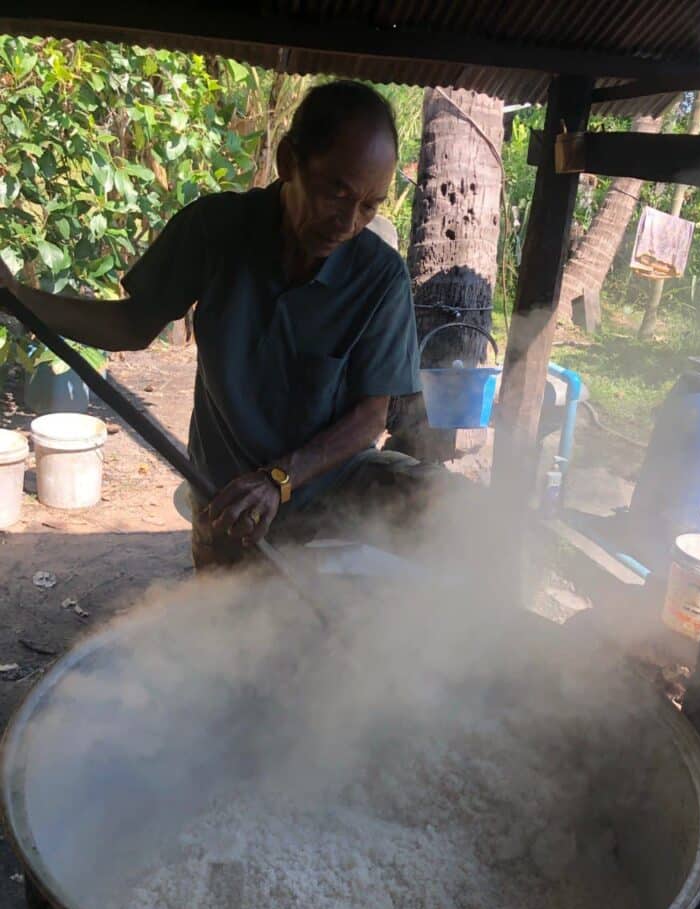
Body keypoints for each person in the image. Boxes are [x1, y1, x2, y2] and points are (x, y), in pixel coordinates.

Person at [0, 80, 452, 569]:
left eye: (370, 205)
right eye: (336, 193)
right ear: (288, 162)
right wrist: (18, 298)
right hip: (229, 497)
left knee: (451, 510)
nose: (349, 221)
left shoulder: (379, 276)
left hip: (333, 484)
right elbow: (131, 326)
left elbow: (371, 416)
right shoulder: (215, 231)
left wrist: (280, 478)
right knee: (232, 629)